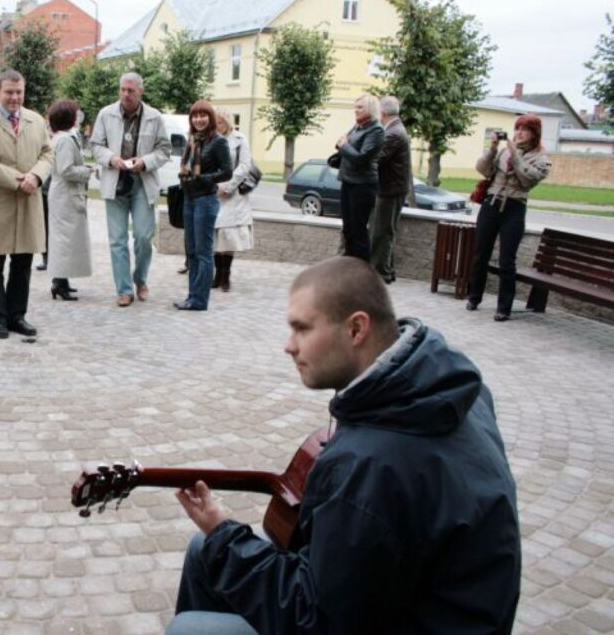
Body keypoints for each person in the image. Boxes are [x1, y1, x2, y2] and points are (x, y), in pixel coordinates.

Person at [166, 256, 521, 635]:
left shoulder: (369, 464)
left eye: (302, 329)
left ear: (356, 329)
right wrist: (222, 537)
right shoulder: (450, 392)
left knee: (189, 628)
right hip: (418, 601)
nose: (289, 346)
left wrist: (224, 535)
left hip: (406, 620)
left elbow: (317, 621)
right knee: (204, 550)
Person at [0, 69, 53, 340]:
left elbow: (47, 153)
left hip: (28, 201)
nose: (15, 97)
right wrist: (18, 180)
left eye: (19, 92)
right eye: (9, 92)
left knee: (22, 262)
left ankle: (17, 315)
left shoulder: (36, 120)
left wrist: (37, 176)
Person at [89, 72, 172, 307]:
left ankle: (140, 279)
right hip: (115, 181)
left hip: (141, 182)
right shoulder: (106, 114)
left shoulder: (154, 117)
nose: (126, 94)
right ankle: (124, 289)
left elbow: (164, 150)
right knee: (117, 240)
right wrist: (111, 158)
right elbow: (95, 145)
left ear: (140, 92)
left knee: (144, 237)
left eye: (131, 90)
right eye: (123, 89)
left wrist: (145, 161)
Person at [467, 115, 551, 321]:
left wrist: (516, 155)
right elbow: (483, 169)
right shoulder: (503, 152)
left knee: (507, 260)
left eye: (525, 129)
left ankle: (504, 307)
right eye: (517, 129)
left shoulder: (541, 157)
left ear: (534, 134)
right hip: (492, 204)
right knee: (480, 253)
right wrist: (493, 148)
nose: (519, 133)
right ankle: (474, 297)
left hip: (515, 207)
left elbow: (528, 180)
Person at [174, 100, 232, 312]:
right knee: (191, 251)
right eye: (195, 116)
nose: (199, 119)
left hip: (206, 200)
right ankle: (192, 296)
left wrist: (203, 178)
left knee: (203, 251)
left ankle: (200, 300)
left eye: (203, 115)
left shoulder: (218, 142)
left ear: (210, 118)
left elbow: (227, 172)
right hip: (189, 198)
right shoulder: (194, 140)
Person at [46, 99, 93, 301]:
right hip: (65, 194)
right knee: (64, 240)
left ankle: (61, 280)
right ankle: (59, 282)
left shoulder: (60, 138)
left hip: (62, 194)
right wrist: (86, 171)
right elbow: (66, 170)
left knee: (63, 239)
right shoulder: (65, 140)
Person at [335, 94, 384, 261]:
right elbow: (341, 143)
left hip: (362, 186)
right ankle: (349, 268)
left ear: (371, 109)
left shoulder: (376, 130)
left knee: (358, 231)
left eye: (360, 107)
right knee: (348, 229)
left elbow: (361, 158)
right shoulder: (358, 126)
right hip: (348, 181)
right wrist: (343, 145)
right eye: (355, 107)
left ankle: (362, 272)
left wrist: (344, 145)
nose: (355, 110)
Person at [368, 95, 413, 284]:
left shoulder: (393, 133)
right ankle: (387, 269)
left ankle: (381, 272)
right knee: (385, 230)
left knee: (381, 232)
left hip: (390, 190)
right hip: (394, 189)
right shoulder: (396, 129)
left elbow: (376, 158)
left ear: (383, 113)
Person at [213, 109, 254, 292]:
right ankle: (216, 275)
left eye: (220, 123)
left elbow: (245, 165)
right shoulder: (211, 138)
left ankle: (225, 275)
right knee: (215, 234)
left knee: (227, 235)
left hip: (232, 194)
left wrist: (228, 186)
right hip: (213, 191)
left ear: (227, 122)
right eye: (215, 123)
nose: (217, 126)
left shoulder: (240, 139)